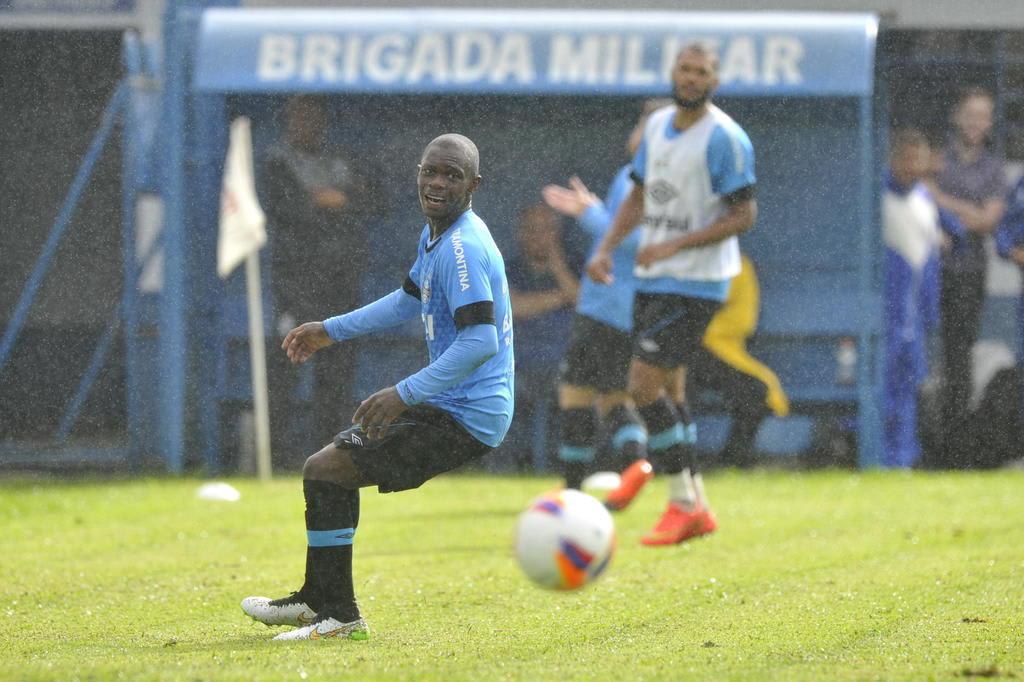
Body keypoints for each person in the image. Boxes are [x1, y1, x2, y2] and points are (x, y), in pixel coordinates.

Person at [241, 134, 514, 640]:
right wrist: (330, 329)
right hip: (452, 407)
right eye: (431, 171)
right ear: (418, 172)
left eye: (452, 176)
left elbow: (480, 342)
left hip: (466, 416)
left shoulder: (463, 247)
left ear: (474, 185)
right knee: (327, 470)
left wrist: (403, 392)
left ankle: (337, 614)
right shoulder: (437, 235)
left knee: (327, 469)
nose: (437, 182)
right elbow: (407, 299)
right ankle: (319, 602)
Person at [586, 42, 757, 546]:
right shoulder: (658, 129)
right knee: (671, 392)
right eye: (685, 69)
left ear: (715, 81)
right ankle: (698, 505)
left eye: (701, 71)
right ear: (673, 74)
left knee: (641, 386)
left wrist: (675, 244)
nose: (691, 77)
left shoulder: (725, 137)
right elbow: (639, 194)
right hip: (654, 277)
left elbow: (744, 214)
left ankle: (682, 502)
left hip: (698, 281)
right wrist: (606, 246)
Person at [540, 101, 668, 495]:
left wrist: (590, 214)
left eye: (640, 125)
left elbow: (635, 241)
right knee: (614, 396)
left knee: (575, 393)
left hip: (608, 305)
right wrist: (592, 208)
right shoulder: (637, 178)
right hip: (630, 308)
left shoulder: (642, 179)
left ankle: (571, 492)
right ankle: (636, 465)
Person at [262, 95, 377, 462]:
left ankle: (331, 450)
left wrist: (340, 201)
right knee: (286, 365)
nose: (307, 126)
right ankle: (277, 454)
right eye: (299, 119)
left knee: (337, 369)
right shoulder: (276, 164)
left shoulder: (341, 160)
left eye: (313, 119)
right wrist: (323, 204)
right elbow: (287, 210)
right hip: (295, 283)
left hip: (341, 281)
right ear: (289, 122)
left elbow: (376, 199)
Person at [927, 87, 1006, 458]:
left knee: (962, 353)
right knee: (929, 350)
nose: (976, 124)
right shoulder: (939, 159)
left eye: (983, 117)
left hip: (970, 271)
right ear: (957, 116)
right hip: (932, 270)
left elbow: (988, 221)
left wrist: (943, 203)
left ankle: (957, 443)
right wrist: (967, 212)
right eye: (970, 115)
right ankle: (931, 437)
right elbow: (921, 196)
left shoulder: (992, 168)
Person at [883, 129, 965, 468]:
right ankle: (881, 454)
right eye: (906, 157)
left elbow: (958, 233)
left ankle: (904, 456)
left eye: (919, 159)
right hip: (885, 313)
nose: (912, 166)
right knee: (883, 383)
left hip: (917, 312)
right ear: (893, 158)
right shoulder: (878, 195)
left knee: (909, 384)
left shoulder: (926, 198)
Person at [503, 204, 578, 469]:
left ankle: (571, 465)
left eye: (547, 230)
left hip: (565, 362)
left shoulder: (575, 263)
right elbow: (514, 307)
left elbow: (581, 300)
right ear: (520, 234)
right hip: (519, 363)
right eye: (532, 230)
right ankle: (508, 468)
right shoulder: (509, 268)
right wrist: (560, 298)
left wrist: (557, 265)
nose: (539, 236)